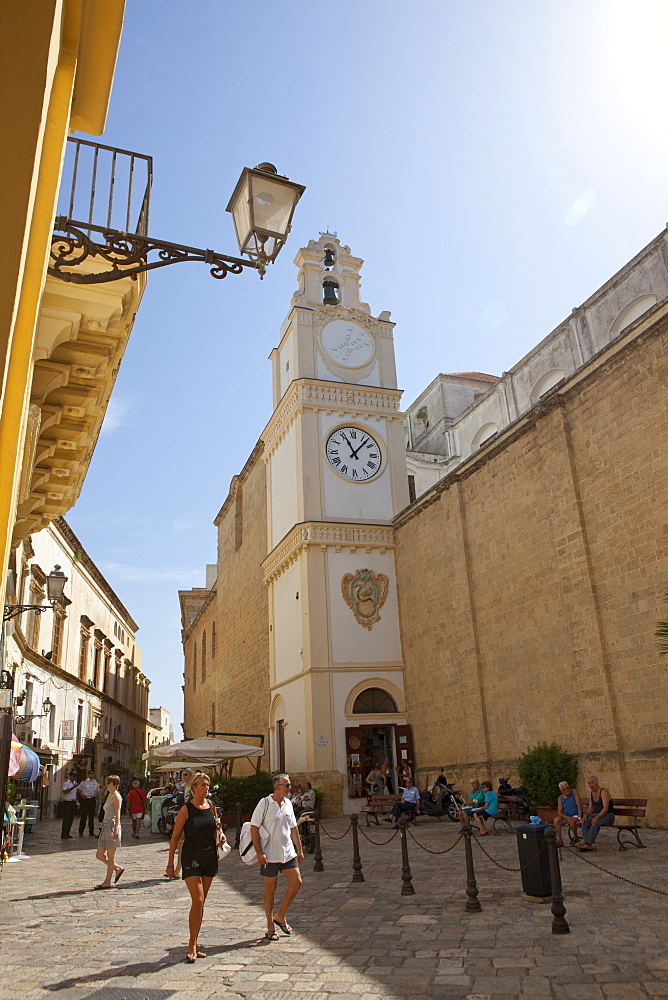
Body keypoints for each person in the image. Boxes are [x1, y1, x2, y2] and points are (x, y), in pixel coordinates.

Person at [165, 773, 223, 962]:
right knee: (197, 899)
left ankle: (196, 941)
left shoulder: (211, 807)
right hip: (191, 857)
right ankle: (191, 944)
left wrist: (221, 835)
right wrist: (170, 863)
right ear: (195, 788)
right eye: (203, 785)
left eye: (208, 785)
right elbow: (175, 836)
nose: (206, 788)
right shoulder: (186, 809)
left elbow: (216, 828)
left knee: (201, 902)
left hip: (210, 857)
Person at [250, 773, 304, 942]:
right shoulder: (264, 803)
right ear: (277, 787)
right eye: (286, 785)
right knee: (270, 891)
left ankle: (280, 915)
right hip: (270, 855)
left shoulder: (288, 803)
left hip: (287, 853)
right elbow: (254, 829)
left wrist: (299, 850)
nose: (290, 788)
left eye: (289, 785)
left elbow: (293, 828)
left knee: (296, 883)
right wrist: (259, 853)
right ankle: (270, 926)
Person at [94, 774, 124, 888]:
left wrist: (116, 829)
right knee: (99, 854)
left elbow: (117, 814)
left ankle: (107, 882)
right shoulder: (109, 795)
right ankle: (117, 868)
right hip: (105, 826)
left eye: (109, 783)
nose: (106, 785)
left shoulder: (116, 796)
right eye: (106, 782)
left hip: (112, 826)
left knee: (111, 856)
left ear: (115, 785)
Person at [578, 775, 614, 850]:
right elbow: (590, 808)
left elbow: (606, 808)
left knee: (596, 822)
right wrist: (586, 816)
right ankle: (586, 842)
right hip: (596, 815)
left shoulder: (603, 792)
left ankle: (586, 842)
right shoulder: (591, 793)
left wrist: (596, 818)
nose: (590, 785)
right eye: (589, 783)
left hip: (608, 815)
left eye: (592, 783)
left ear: (596, 783)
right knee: (584, 822)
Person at [174, 768, 196, 877]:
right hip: (186, 817)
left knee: (182, 844)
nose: (184, 777)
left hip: (191, 818)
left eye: (186, 774)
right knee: (181, 843)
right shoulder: (186, 787)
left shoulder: (193, 788)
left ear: (191, 776)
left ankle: (179, 869)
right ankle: (179, 868)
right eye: (183, 775)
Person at [555, 780, 582, 846]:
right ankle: (560, 841)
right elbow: (559, 812)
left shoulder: (574, 792)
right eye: (564, 789)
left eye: (568, 788)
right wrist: (567, 817)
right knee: (556, 820)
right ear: (561, 791)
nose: (567, 790)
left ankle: (575, 838)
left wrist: (579, 817)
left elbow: (579, 806)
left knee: (572, 821)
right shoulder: (560, 798)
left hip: (575, 815)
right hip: (567, 816)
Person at [77, 770, 99, 837]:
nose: (92, 775)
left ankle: (91, 831)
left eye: (93, 774)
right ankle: (81, 831)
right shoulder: (84, 782)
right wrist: (81, 794)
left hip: (92, 800)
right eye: (90, 774)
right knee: (83, 816)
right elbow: (78, 789)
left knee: (91, 817)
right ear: (88, 774)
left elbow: (97, 791)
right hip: (86, 800)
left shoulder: (95, 782)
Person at [60, 770, 79, 839]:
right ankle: (64, 833)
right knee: (66, 818)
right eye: (72, 776)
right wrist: (73, 787)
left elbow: (75, 793)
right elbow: (65, 791)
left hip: (73, 802)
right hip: (67, 802)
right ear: (70, 776)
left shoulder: (75, 783)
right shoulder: (66, 783)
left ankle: (68, 833)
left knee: (71, 819)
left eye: (74, 776)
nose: (73, 777)